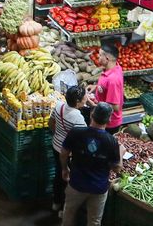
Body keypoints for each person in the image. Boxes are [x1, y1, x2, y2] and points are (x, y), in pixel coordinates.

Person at [59, 104, 121, 226]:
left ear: (92, 115)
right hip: (98, 188)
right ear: (109, 120)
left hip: (76, 184)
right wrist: (121, 151)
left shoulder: (76, 132)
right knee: (94, 221)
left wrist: (64, 168)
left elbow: (64, 152)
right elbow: (117, 168)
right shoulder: (112, 141)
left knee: (68, 214)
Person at [49, 85, 87, 213]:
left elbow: (51, 122)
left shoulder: (59, 106)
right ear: (77, 101)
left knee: (58, 174)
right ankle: (64, 209)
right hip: (68, 153)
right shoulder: (78, 118)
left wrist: (57, 134)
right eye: (84, 97)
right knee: (68, 178)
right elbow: (83, 139)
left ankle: (56, 202)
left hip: (56, 146)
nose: (86, 98)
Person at [89, 50, 124, 134]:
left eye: (100, 55)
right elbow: (107, 87)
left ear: (107, 59)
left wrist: (94, 105)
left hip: (108, 123)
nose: (98, 57)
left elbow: (115, 107)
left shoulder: (113, 80)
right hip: (103, 118)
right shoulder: (114, 67)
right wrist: (97, 87)